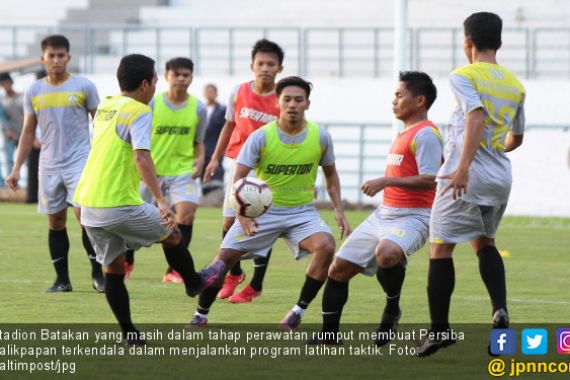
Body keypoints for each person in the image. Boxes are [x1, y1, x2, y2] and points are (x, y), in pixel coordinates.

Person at [72, 53, 224, 343]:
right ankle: (194, 283)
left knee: (113, 270)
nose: (156, 86)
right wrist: (161, 201)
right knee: (173, 233)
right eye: (155, 80)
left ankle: (130, 335)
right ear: (145, 84)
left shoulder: (106, 105)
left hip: (88, 202)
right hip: (116, 202)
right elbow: (141, 156)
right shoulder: (140, 110)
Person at [190, 76, 351, 329]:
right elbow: (238, 177)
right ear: (277, 102)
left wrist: (339, 211)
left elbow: (331, 175)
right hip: (261, 212)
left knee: (326, 246)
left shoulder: (321, 137)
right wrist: (241, 212)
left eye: (299, 100)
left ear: (307, 104)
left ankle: (298, 311)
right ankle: (201, 315)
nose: (292, 105)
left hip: (301, 213)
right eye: (287, 99)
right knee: (222, 262)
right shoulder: (261, 137)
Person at [417, 12, 525, 357]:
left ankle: (439, 331)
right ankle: (500, 309)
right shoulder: (515, 84)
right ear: (500, 42)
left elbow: (475, 115)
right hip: (499, 176)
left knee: (440, 247)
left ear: (467, 42)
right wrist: (493, 153)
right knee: (485, 243)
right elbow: (516, 138)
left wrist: (463, 166)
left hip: (465, 176)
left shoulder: (463, 75)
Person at [310, 72, 443, 345]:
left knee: (387, 253)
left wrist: (386, 180)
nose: (393, 100)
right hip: (385, 213)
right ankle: (329, 337)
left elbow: (430, 179)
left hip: (415, 216)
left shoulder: (427, 134)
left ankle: (391, 309)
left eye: (399, 95)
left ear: (419, 100)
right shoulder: (403, 132)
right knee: (337, 270)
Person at [6, 35, 105, 293]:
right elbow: (28, 131)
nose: (57, 60)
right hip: (49, 165)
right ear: (43, 58)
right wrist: (16, 167)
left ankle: (98, 274)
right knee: (55, 222)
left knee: (85, 217)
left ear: (68, 58)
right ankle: (62, 280)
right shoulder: (34, 90)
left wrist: (103, 156)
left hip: (80, 161)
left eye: (61, 55)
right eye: (52, 55)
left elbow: (101, 122)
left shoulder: (84, 86)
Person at [203, 39, 284, 303]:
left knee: (261, 226)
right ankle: (234, 273)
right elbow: (228, 126)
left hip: (267, 172)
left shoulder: (283, 99)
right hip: (239, 167)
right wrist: (214, 159)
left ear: (279, 68)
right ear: (252, 65)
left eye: (271, 64)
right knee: (228, 223)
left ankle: (255, 286)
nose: (265, 68)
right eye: (261, 63)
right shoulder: (238, 92)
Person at [124, 57, 207, 283]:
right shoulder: (152, 103)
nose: (181, 79)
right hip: (152, 171)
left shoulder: (198, 107)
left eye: (186, 75)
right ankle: (128, 259)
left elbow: (199, 141)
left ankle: (174, 270)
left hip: (183, 171)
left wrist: (201, 160)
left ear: (191, 77)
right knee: (135, 222)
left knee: (187, 214)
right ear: (166, 76)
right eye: (176, 74)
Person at [201, 83, 226, 201]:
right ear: (204, 93)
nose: (210, 94)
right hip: (201, 150)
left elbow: (225, 130)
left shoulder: (222, 110)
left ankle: (216, 197)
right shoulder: (200, 109)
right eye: (208, 91)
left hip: (216, 148)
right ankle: (206, 197)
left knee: (215, 171)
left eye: (212, 91)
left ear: (216, 94)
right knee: (202, 171)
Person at [0, 73, 24, 180]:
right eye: (3, 84)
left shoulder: (22, 97)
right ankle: (12, 182)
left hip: (23, 132)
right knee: (9, 159)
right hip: (9, 133)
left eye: (7, 83)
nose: (6, 86)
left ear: (11, 83)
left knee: (25, 158)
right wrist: (8, 130)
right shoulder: (2, 100)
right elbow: (4, 118)